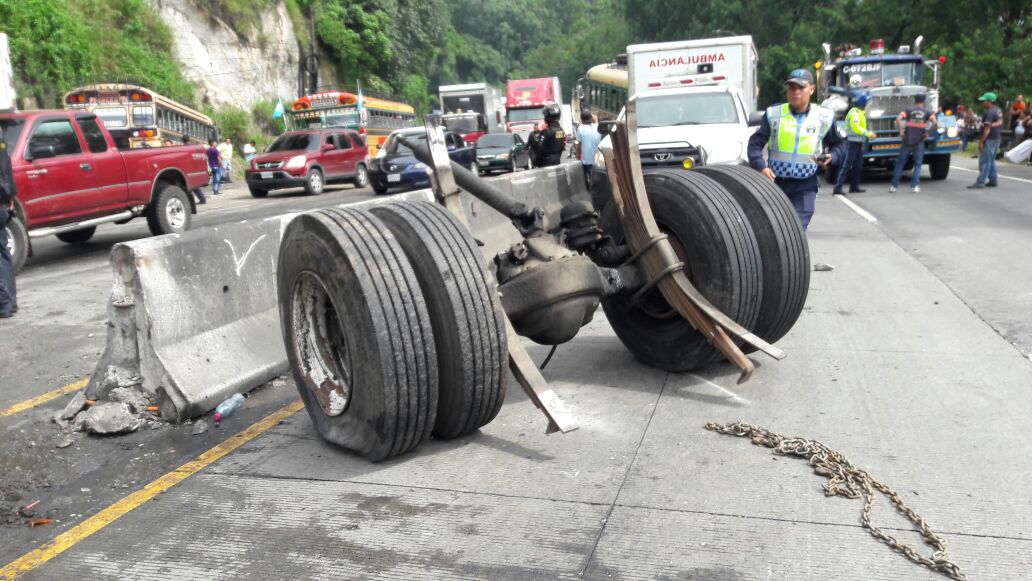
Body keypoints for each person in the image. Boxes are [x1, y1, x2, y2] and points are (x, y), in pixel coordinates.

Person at [747, 68, 845, 230]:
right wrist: (761, 166)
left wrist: (833, 156)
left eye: (801, 88)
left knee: (795, 232)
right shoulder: (774, 114)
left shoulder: (824, 117)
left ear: (812, 89)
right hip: (775, 184)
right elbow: (755, 144)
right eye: (792, 87)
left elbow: (841, 144)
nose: (795, 92)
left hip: (805, 187)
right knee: (773, 231)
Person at [889, 93, 935, 193]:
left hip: (907, 140)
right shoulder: (927, 111)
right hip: (919, 140)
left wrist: (901, 131)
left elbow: (898, 119)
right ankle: (915, 186)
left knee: (900, 163)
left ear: (915, 100)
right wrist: (928, 133)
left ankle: (894, 186)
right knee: (917, 164)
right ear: (923, 101)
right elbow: (935, 123)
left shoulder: (908, 110)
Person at [834, 91, 876, 195]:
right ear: (862, 103)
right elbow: (856, 127)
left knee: (858, 165)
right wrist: (868, 133)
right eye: (867, 102)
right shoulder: (854, 113)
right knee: (846, 165)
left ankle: (854, 186)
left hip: (858, 142)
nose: (868, 105)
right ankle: (837, 187)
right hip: (852, 143)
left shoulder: (860, 113)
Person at [968, 92, 1003, 189]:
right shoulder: (997, 110)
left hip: (990, 138)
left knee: (985, 161)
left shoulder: (990, 112)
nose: (982, 103)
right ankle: (993, 180)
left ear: (989, 101)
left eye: (984, 101)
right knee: (991, 160)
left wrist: (981, 142)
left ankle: (980, 182)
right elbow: (1000, 121)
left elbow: (987, 129)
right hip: (997, 138)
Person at [0, 141, 18, 318]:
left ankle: (4, 304)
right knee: (3, 254)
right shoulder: (2, 143)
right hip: (4, 204)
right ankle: (10, 302)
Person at [575, 111, 601, 187]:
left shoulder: (580, 129)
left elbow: (579, 144)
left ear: (582, 120)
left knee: (587, 176)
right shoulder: (597, 126)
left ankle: (590, 189)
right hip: (597, 157)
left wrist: (578, 155)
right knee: (596, 176)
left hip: (587, 159)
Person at [182, 135, 206, 204]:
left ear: (183, 140)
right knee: (194, 185)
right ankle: (201, 198)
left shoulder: (184, 148)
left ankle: (199, 199)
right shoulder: (194, 146)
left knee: (191, 186)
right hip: (195, 167)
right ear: (189, 139)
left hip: (188, 168)